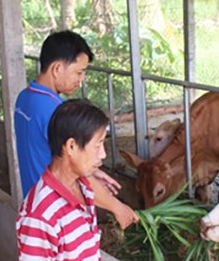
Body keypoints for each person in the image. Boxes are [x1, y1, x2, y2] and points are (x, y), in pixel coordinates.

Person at [17, 99, 120, 261]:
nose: (103, 154)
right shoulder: (41, 212)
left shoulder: (83, 187)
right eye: (97, 145)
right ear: (71, 147)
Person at [14, 30, 137, 229]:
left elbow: (48, 151)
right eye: (79, 72)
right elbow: (78, 175)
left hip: (36, 200)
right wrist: (118, 207)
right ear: (57, 68)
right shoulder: (55, 112)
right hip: (60, 207)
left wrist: (94, 170)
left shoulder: (25, 98)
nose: (81, 79)